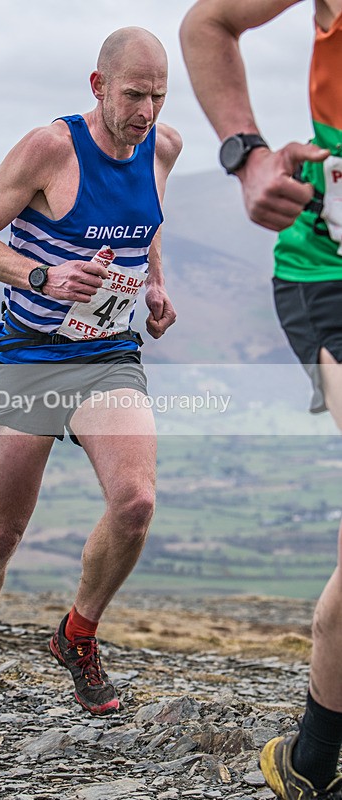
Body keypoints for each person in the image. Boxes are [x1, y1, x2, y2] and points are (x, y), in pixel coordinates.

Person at [0, 26, 182, 741]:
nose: (145, 111)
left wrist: (157, 284)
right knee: (2, 532)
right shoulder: (50, 148)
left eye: (158, 97)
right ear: (97, 86)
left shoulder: (162, 146)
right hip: (31, 356)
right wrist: (43, 275)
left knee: (135, 502)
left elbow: (147, 222)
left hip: (108, 351)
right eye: (133, 94)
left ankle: (77, 631)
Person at [181, 2, 342, 799]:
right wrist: (247, 156)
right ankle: (313, 758)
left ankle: (312, 759)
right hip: (330, 272)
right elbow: (208, 22)